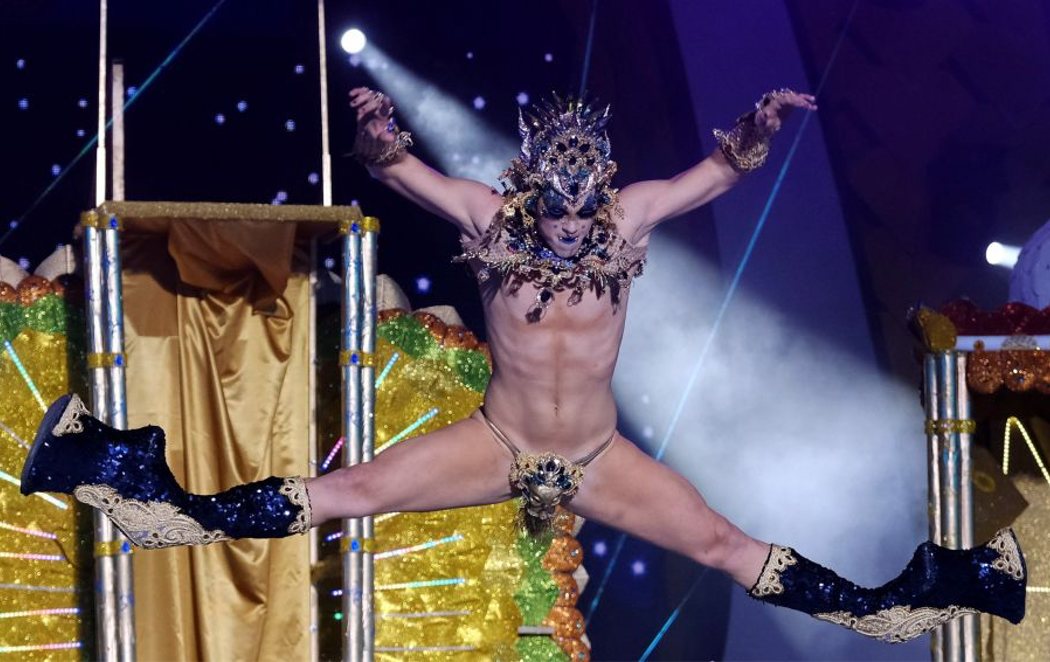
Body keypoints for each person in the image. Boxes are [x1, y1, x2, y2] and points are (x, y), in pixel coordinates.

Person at [22, 86, 1026, 644]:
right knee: (350, 488)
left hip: (592, 454)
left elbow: (710, 175)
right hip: (500, 442)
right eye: (558, 208)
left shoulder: (626, 217)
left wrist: (759, 128)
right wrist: (374, 128)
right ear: (534, 186)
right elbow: (394, 167)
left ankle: (916, 595)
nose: (570, 226)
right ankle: (147, 495)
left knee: (723, 541)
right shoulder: (485, 213)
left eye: (586, 211)